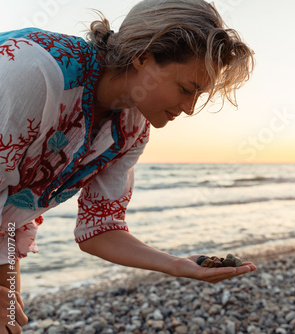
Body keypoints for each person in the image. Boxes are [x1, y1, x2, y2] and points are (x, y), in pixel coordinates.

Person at [0, 0, 257, 332]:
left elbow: (101, 228)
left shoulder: (132, 129)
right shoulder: (33, 71)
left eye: (199, 94)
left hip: (6, 234)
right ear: (143, 57)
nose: (191, 109)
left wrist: (177, 265)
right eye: (186, 89)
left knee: (8, 324)